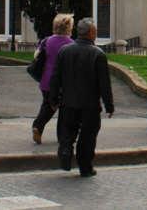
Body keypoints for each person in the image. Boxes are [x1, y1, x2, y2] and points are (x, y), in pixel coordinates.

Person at [48, 17, 114, 178]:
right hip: (90, 104)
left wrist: (53, 98)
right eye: (95, 31)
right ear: (91, 33)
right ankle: (85, 167)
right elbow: (104, 83)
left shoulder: (64, 51)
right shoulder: (98, 54)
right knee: (88, 136)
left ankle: (65, 151)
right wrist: (109, 105)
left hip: (68, 101)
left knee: (67, 131)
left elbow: (55, 77)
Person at [31, 13, 75, 144]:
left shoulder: (47, 41)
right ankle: (61, 135)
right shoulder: (71, 44)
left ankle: (38, 126)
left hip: (46, 80)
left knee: (48, 105)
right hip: (63, 83)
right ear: (69, 28)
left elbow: (36, 56)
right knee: (64, 109)